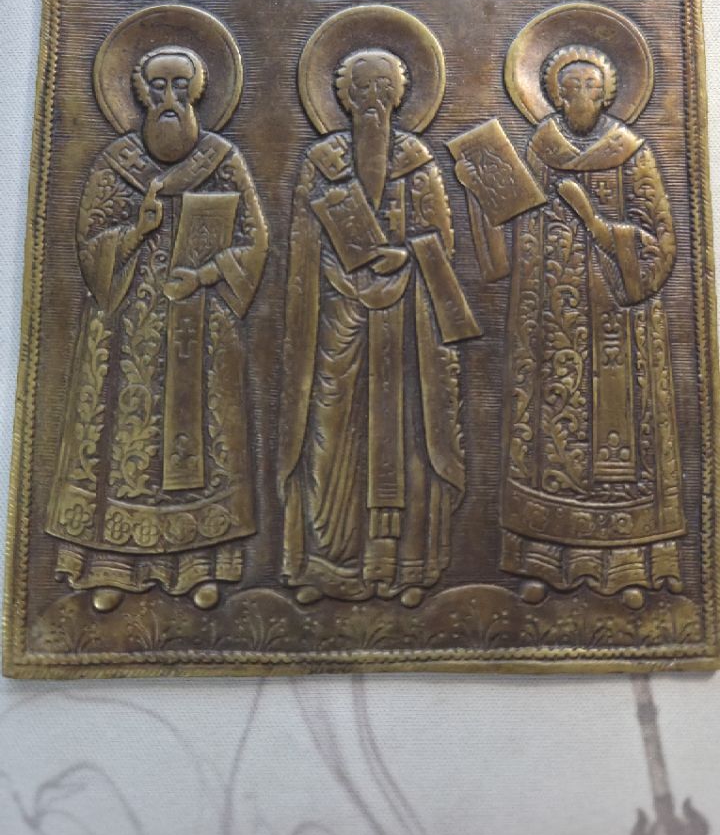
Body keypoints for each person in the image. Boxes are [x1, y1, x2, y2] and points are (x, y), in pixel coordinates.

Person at [47, 43, 268, 612]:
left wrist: (208, 273)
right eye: (159, 86)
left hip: (202, 326)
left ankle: (200, 566)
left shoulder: (222, 160)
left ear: (199, 93)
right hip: (130, 334)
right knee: (125, 442)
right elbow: (89, 247)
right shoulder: (114, 164)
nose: (170, 98)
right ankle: (113, 566)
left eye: (180, 86)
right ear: (141, 94)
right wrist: (137, 232)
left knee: (201, 440)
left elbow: (254, 241)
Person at [279, 38, 479, 607]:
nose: (372, 98)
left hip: (406, 330)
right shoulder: (320, 163)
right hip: (336, 325)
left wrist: (406, 255)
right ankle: (326, 566)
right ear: (343, 97)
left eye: (383, 88)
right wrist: (341, 269)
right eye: (361, 88)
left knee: (408, 438)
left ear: (399, 96)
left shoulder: (418, 162)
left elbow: (442, 244)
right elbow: (302, 247)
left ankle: (406, 569)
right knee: (329, 433)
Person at [498, 41, 685, 608]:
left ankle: (629, 566)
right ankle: (542, 561)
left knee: (620, 447)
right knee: (549, 440)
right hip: (551, 320)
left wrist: (603, 229)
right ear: (554, 95)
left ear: (608, 94)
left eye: (591, 86)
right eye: (570, 87)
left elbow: (662, 238)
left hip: (617, 324)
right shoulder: (540, 149)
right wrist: (488, 193)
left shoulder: (633, 152)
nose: (580, 95)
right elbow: (516, 226)